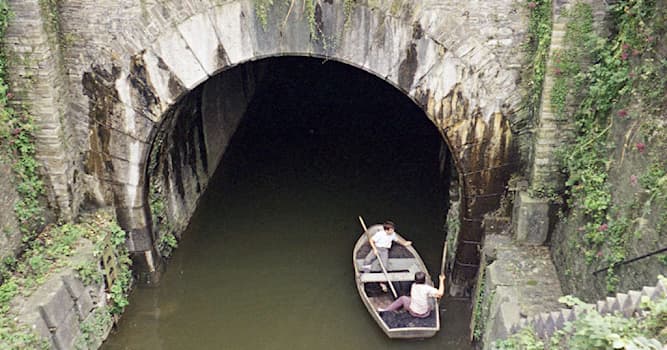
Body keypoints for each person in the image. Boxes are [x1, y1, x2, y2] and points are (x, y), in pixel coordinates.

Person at [378, 272, 445, 318]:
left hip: (413, 312)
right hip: (425, 314)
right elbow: (440, 293)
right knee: (430, 300)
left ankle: (386, 310)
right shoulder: (427, 288)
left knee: (403, 298)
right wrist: (441, 280)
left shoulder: (413, 285)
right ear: (424, 280)